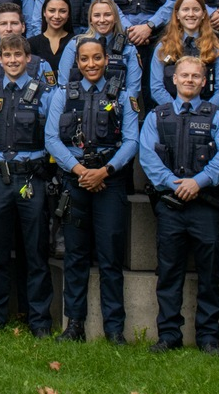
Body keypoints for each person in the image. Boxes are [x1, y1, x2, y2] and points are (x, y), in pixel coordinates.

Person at [139, 56, 219, 354]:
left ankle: (208, 337)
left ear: (204, 82)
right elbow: (148, 157)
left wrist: (199, 182)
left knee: (210, 275)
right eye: (184, 75)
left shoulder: (218, 116)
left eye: (196, 76)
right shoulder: (157, 116)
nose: (189, 80)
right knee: (169, 274)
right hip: (170, 206)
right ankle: (169, 335)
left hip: (205, 205)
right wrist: (175, 184)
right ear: (174, 79)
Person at [45, 37, 140, 344]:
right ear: (77, 63)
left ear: (106, 60)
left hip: (109, 182)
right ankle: (74, 325)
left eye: (97, 58)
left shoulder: (123, 97)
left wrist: (104, 171)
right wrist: (80, 171)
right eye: (84, 59)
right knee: (75, 255)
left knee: (110, 257)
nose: (91, 64)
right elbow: (51, 139)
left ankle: (114, 329)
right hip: (74, 182)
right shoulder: (62, 94)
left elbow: (131, 141)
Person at [0, 35, 54, 337]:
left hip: (32, 179)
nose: (12, 60)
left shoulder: (45, 93)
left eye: (18, 55)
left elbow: (50, 135)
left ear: (28, 59)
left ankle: (39, 320)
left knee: (35, 252)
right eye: (6, 55)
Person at [150, 0, 219, 110]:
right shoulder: (163, 48)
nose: (191, 14)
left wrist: (203, 113)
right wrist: (177, 110)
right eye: (185, 9)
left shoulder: (217, 48)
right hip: (171, 113)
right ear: (177, 14)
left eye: (196, 10)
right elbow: (156, 88)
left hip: (207, 114)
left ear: (204, 14)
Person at [56, 0, 144, 101]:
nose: (102, 20)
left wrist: (110, 107)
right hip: (78, 105)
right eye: (97, 15)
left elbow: (132, 92)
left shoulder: (128, 49)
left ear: (116, 18)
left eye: (107, 15)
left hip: (115, 106)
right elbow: (63, 85)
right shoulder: (75, 44)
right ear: (90, 20)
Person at [0, 3, 56, 95]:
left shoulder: (41, 66)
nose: (9, 29)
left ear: (23, 27)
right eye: (3, 24)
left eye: (14, 23)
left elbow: (51, 100)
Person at [28, 0, 73, 74]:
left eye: (62, 11)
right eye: (52, 11)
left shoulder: (76, 42)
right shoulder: (31, 43)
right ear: (44, 12)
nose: (56, 16)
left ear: (68, 14)